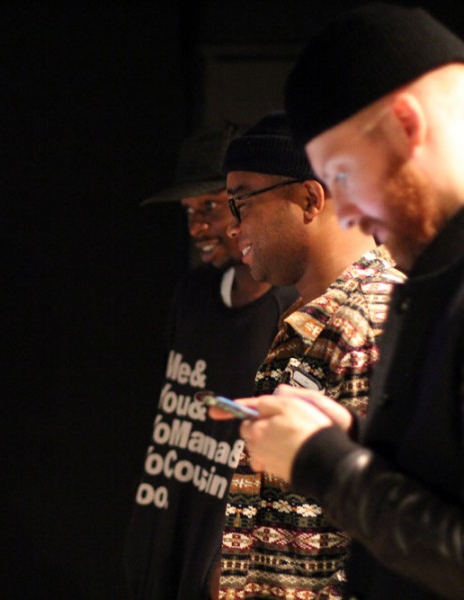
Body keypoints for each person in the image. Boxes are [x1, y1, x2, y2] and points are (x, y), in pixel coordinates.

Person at [214, 3, 464, 599]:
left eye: (343, 176)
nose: (344, 213)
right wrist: (355, 439)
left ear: (406, 125)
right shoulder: (432, 282)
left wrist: (328, 464)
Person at [215, 111, 405, 599]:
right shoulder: (314, 316)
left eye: (241, 203)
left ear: (309, 198)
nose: (232, 227)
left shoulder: (373, 320)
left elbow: (387, 531)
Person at [124, 125, 297, 599]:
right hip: (169, 522)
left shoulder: (290, 313)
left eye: (210, 207)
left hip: (228, 555)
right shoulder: (193, 294)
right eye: (189, 212)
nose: (197, 227)